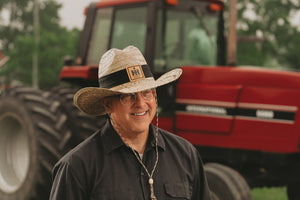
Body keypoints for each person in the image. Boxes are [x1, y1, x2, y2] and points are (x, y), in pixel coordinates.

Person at [49, 45, 211, 200]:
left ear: (155, 98)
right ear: (107, 104)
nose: (140, 103)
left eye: (147, 93)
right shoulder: (77, 167)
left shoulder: (186, 155)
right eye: (128, 96)